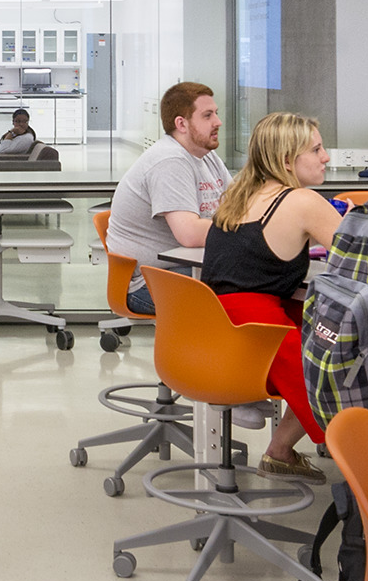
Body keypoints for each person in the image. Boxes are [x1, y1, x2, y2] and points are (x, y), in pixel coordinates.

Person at [200, 110, 345, 466]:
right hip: (259, 338)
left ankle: (280, 452)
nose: (326, 157)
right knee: (346, 361)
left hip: (216, 334)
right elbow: (364, 258)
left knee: (326, 340)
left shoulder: (237, 196)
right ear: (286, 160)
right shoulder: (302, 201)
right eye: (316, 150)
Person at [107, 81, 228, 315]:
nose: (218, 122)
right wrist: (253, 230)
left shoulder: (206, 156)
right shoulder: (169, 161)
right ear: (181, 124)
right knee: (254, 284)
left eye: (216, 113)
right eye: (207, 115)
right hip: (150, 283)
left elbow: (239, 208)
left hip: (187, 266)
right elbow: (190, 234)